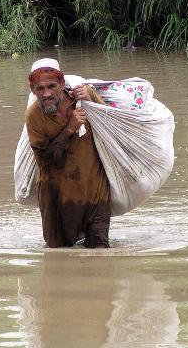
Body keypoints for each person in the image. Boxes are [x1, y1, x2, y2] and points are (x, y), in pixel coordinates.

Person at [25, 58, 111, 248]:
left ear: (62, 84)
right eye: (40, 88)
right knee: (58, 255)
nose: (46, 94)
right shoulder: (34, 117)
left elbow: (111, 129)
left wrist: (90, 99)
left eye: (51, 86)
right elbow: (45, 162)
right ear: (33, 90)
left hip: (96, 192)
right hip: (58, 199)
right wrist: (69, 129)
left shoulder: (83, 100)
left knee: (100, 252)